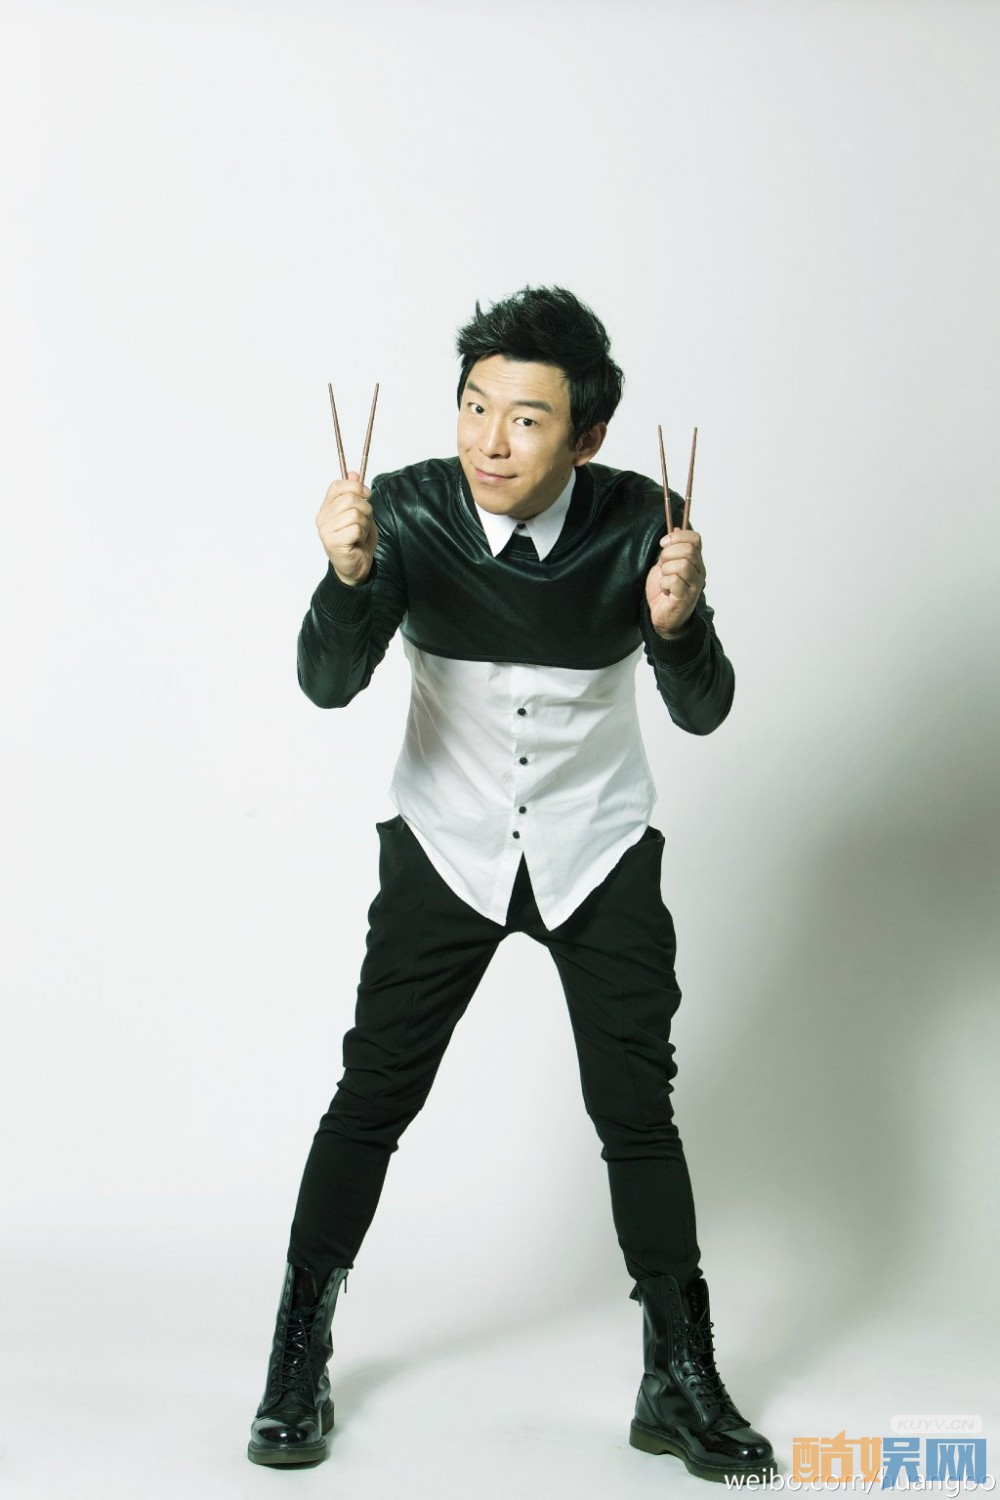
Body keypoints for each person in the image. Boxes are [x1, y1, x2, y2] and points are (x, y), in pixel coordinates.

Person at [247, 286, 775, 1480]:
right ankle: (295, 1356)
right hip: (448, 844)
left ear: (585, 439)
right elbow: (326, 686)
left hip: (596, 847)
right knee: (372, 1093)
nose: (490, 441)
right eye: (475, 408)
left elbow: (703, 710)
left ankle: (678, 1377)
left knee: (638, 1113)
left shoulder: (643, 522)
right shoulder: (404, 511)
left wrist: (679, 622)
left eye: (526, 419)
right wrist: (344, 576)